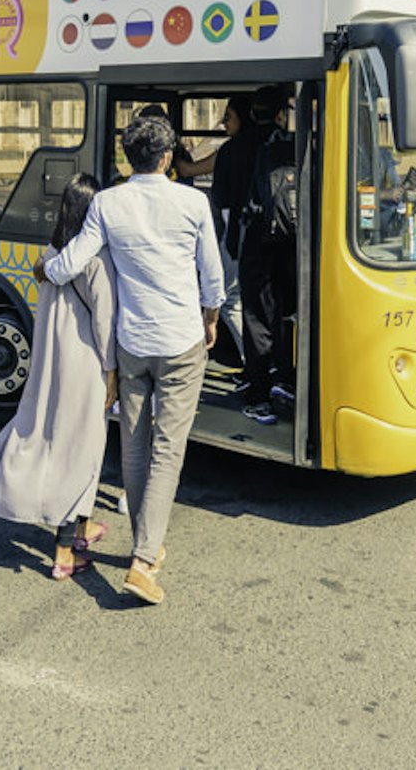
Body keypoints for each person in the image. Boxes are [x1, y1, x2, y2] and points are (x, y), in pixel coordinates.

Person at [36, 115, 223, 605]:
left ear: (127, 158)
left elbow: (72, 260)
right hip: (181, 341)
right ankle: (143, 558)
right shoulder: (193, 202)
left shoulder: (108, 202)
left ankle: (147, 545)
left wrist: (44, 267)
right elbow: (212, 272)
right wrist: (211, 317)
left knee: (135, 445)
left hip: (132, 343)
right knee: (168, 449)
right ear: (167, 158)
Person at [0, 174, 119, 580]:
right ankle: (65, 552)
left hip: (52, 365)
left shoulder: (49, 255)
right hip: (86, 367)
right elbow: (105, 323)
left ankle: (82, 526)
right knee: (81, 451)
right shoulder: (97, 260)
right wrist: (114, 372)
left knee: (51, 439)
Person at [236, 85, 297, 425]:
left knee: (257, 317)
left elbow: (233, 196)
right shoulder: (311, 146)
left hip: (259, 244)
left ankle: (260, 392)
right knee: (285, 315)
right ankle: (284, 381)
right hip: (293, 247)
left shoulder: (253, 148)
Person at [207, 95, 260, 362]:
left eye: (228, 117)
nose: (223, 123)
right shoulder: (269, 143)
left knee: (228, 300)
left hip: (238, 236)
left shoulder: (230, 151)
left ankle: (253, 362)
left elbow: (222, 204)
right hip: (268, 239)